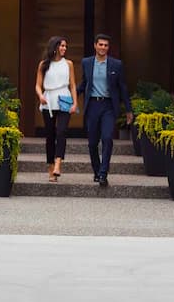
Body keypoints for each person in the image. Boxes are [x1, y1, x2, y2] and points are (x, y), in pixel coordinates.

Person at [77, 34, 134, 187]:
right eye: (100, 44)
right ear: (95, 45)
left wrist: (128, 110)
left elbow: (122, 87)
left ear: (108, 48)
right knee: (92, 143)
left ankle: (103, 173)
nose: (103, 48)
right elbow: (84, 83)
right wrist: (71, 97)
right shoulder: (87, 63)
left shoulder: (116, 64)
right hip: (93, 106)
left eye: (106, 45)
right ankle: (96, 171)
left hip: (109, 106)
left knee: (107, 138)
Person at [35, 36, 78, 182]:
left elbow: (72, 84)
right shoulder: (43, 64)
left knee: (62, 131)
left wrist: (75, 103)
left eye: (66, 46)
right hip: (48, 99)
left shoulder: (69, 64)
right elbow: (37, 85)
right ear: (55, 47)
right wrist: (40, 95)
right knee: (50, 134)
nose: (64, 49)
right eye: (62, 46)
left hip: (64, 98)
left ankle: (58, 163)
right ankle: (50, 166)